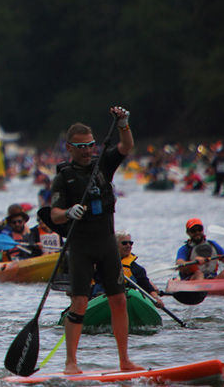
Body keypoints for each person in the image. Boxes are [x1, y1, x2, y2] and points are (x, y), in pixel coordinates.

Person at [50, 106, 141, 374]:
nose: (88, 150)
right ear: (69, 148)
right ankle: (71, 364)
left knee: (119, 300)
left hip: (106, 245)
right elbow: (53, 214)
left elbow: (127, 145)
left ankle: (124, 361)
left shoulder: (103, 164)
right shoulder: (63, 178)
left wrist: (123, 123)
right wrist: (67, 212)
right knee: (79, 303)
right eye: (81, 147)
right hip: (81, 248)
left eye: (90, 145)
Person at [110, 231, 164, 307]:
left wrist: (155, 298)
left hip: (126, 297)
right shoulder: (103, 263)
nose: (128, 246)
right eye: (124, 243)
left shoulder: (136, 269)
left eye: (130, 243)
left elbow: (146, 286)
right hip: (104, 296)